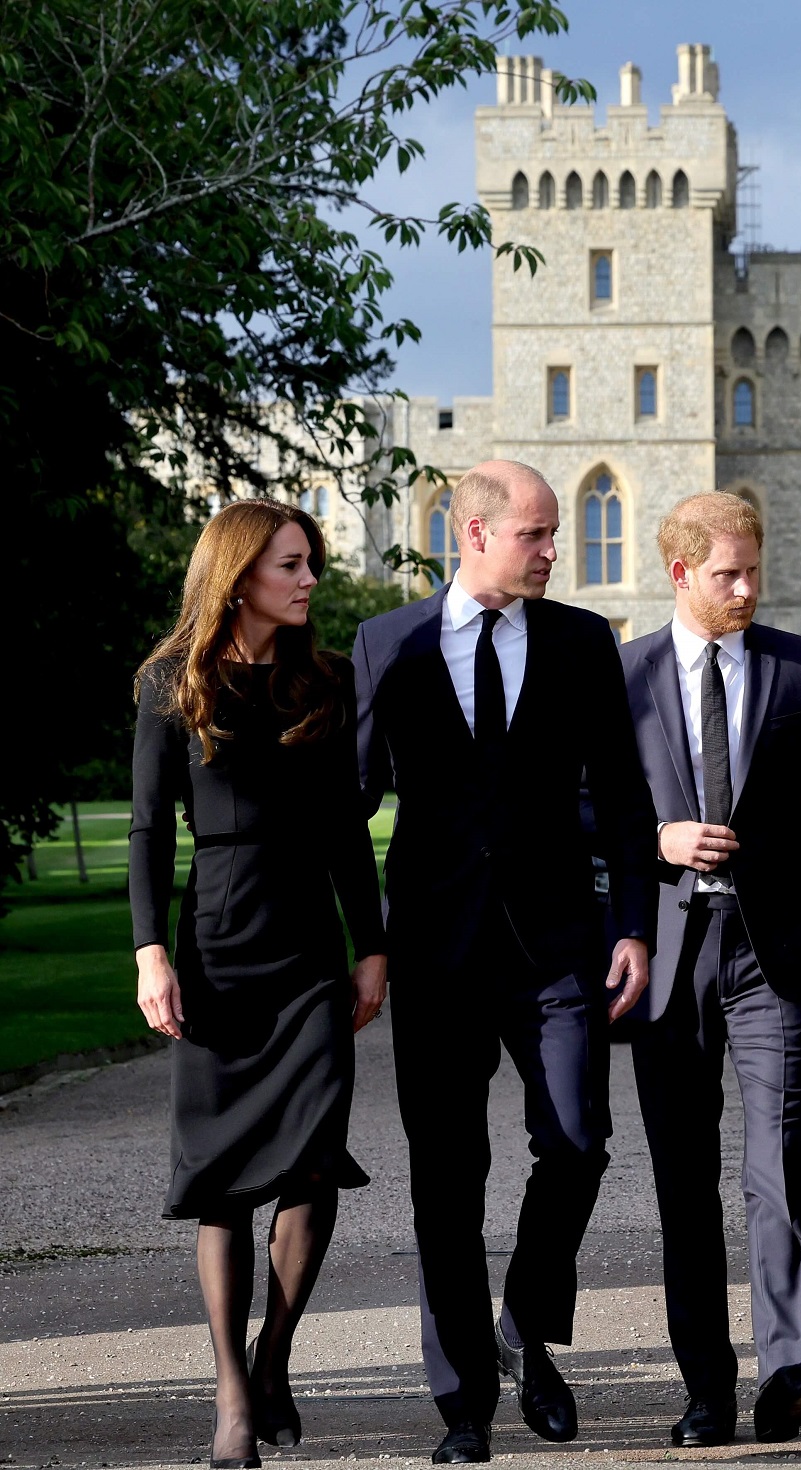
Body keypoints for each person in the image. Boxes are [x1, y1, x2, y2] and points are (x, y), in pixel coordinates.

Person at [352, 460, 657, 1466]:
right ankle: (465, 1406)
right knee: (448, 1177)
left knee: (576, 1140)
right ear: (474, 534)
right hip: (436, 953)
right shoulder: (386, 643)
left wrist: (635, 926)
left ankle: (525, 1325)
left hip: (558, 945)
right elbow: (347, 803)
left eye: (554, 534)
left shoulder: (579, 642)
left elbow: (621, 793)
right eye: (535, 534)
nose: (552, 551)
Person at [618, 491, 801, 1448]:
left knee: (779, 1158)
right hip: (668, 956)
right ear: (682, 573)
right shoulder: (627, 675)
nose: (747, 588)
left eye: (753, 569)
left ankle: (790, 1373)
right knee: (683, 1178)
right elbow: (580, 812)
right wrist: (660, 835)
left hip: (774, 953)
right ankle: (706, 1389)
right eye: (727, 573)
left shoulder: (800, 667)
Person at [130, 500, 387, 1470]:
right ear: (241, 575)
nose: (311, 577)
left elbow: (347, 836)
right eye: (294, 563)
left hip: (309, 957)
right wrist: (151, 952)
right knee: (222, 1185)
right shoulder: (170, 683)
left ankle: (274, 1355)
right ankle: (234, 1400)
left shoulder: (327, 681)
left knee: (314, 1162)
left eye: (311, 561)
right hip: (219, 952)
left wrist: (373, 946)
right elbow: (151, 831)